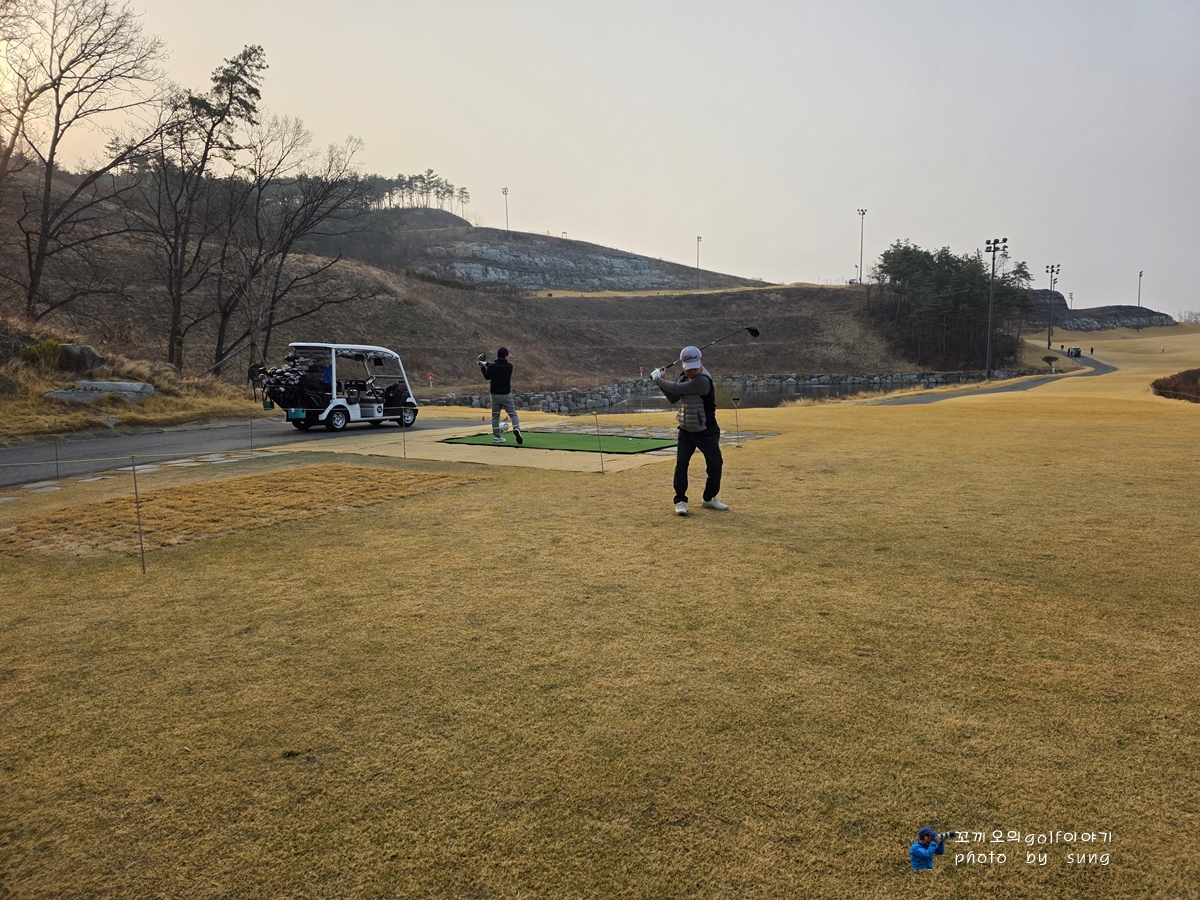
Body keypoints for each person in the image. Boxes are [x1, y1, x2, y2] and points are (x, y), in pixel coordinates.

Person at [652, 345, 727, 516]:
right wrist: (662, 381)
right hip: (686, 430)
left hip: (706, 430)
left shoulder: (703, 380)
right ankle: (680, 500)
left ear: (700, 363)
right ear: (683, 365)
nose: (692, 371)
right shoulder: (683, 378)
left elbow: (677, 389)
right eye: (689, 368)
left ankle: (709, 498)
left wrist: (657, 380)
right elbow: (673, 397)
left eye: (695, 368)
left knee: (715, 465)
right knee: (681, 464)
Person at [478, 347, 522, 444]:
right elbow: (496, 365)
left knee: (495, 416)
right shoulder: (510, 366)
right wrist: (485, 363)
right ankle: (516, 429)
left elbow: (487, 376)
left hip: (495, 395)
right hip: (506, 395)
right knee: (513, 414)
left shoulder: (492, 367)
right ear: (505, 356)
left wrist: (482, 367)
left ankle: (497, 437)